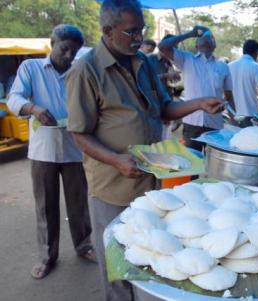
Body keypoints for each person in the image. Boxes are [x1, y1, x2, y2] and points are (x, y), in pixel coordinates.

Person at [65, 1, 225, 300]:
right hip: (113, 186)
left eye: (141, 30)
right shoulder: (85, 71)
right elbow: (79, 133)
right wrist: (116, 160)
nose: (138, 38)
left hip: (151, 181)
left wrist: (199, 102)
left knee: (148, 254)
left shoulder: (143, 63)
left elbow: (164, 108)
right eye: (131, 32)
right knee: (116, 263)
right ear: (107, 31)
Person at [7, 25, 95, 280]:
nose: (68, 56)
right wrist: (33, 108)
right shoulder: (31, 68)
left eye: (73, 51)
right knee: (46, 206)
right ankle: (47, 256)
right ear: (52, 44)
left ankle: (84, 245)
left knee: (78, 203)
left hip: (74, 149)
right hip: (42, 150)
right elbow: (14, 98)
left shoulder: (79, 71)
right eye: (64, 49)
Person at [158, 26, 234, 151]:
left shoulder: (223, 67)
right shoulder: (187, 60)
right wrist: (190, 33)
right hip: (192, 123)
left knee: (213, 164)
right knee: (192, 164)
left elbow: (229, 98)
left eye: (210, 37)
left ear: (214, 45)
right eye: (201, 38)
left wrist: (235, 121)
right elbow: (163, 47)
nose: (206, 39)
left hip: (215, 124)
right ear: (196, 45)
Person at [228, 39, 258, 116]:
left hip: (233, 115)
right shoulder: (256, 67)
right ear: (257, 52)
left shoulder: (229, 66)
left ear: (243, 51)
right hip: (250, 114)